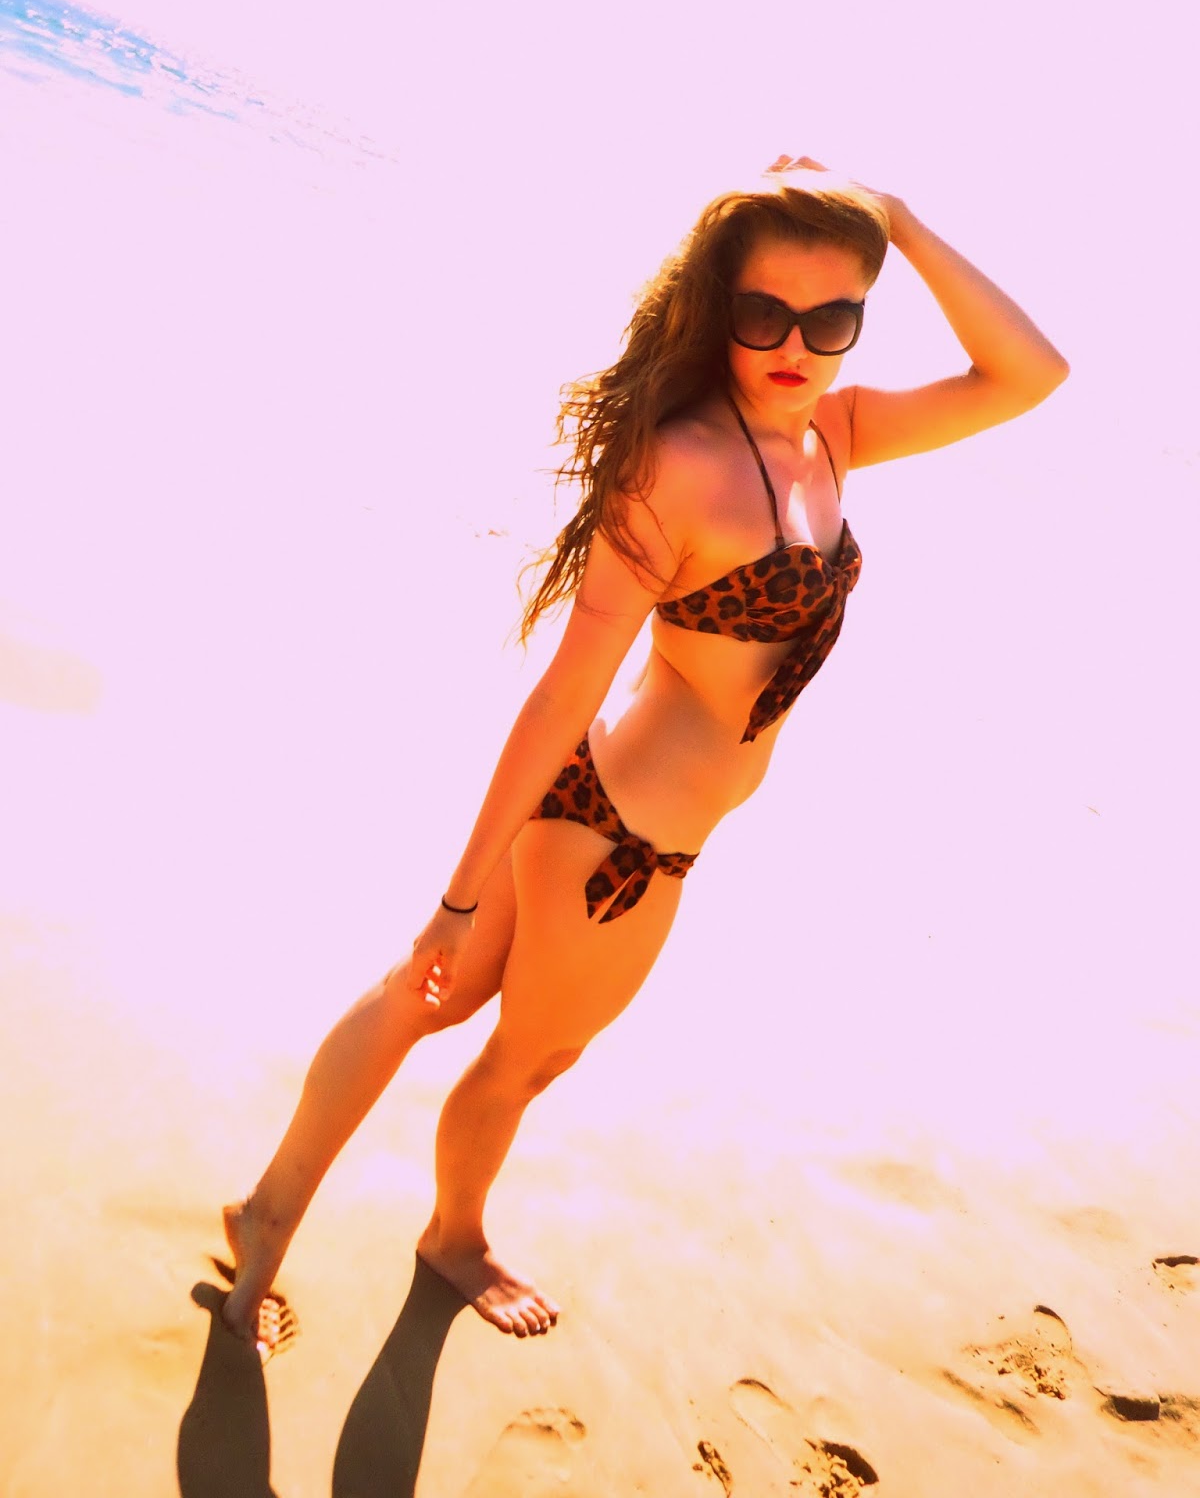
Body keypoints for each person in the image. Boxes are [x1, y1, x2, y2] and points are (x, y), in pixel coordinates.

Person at [220, 155, 1069, 1346]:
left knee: (428, 1003)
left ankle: (264, 1215)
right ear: (720, 306)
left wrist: (908, 221)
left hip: (602, 807)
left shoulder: (832, 433)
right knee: (524, 1056)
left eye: (831, 319)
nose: (795, 345)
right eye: (763, 313)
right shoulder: (683, 462)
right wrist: (456, 898)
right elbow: (566, 688)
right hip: (620, 844)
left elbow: (1030, 373)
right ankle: (452, 1238)